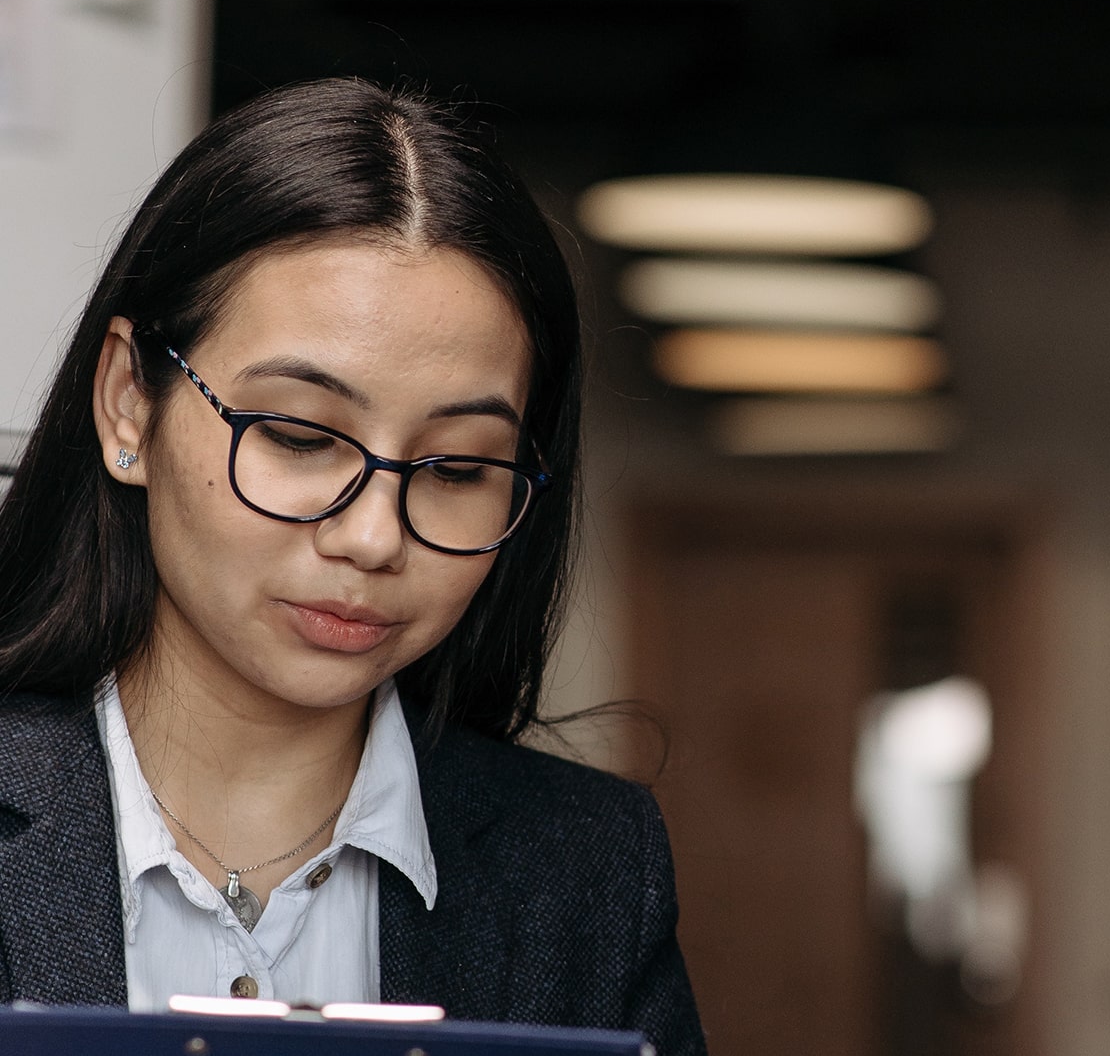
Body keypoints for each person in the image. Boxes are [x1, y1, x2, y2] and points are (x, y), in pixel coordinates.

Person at [0, 78, 705, 1052]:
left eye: (459, 466)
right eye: (298, 435)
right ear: (129, 402)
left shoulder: (584, 870)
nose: (374, 536)